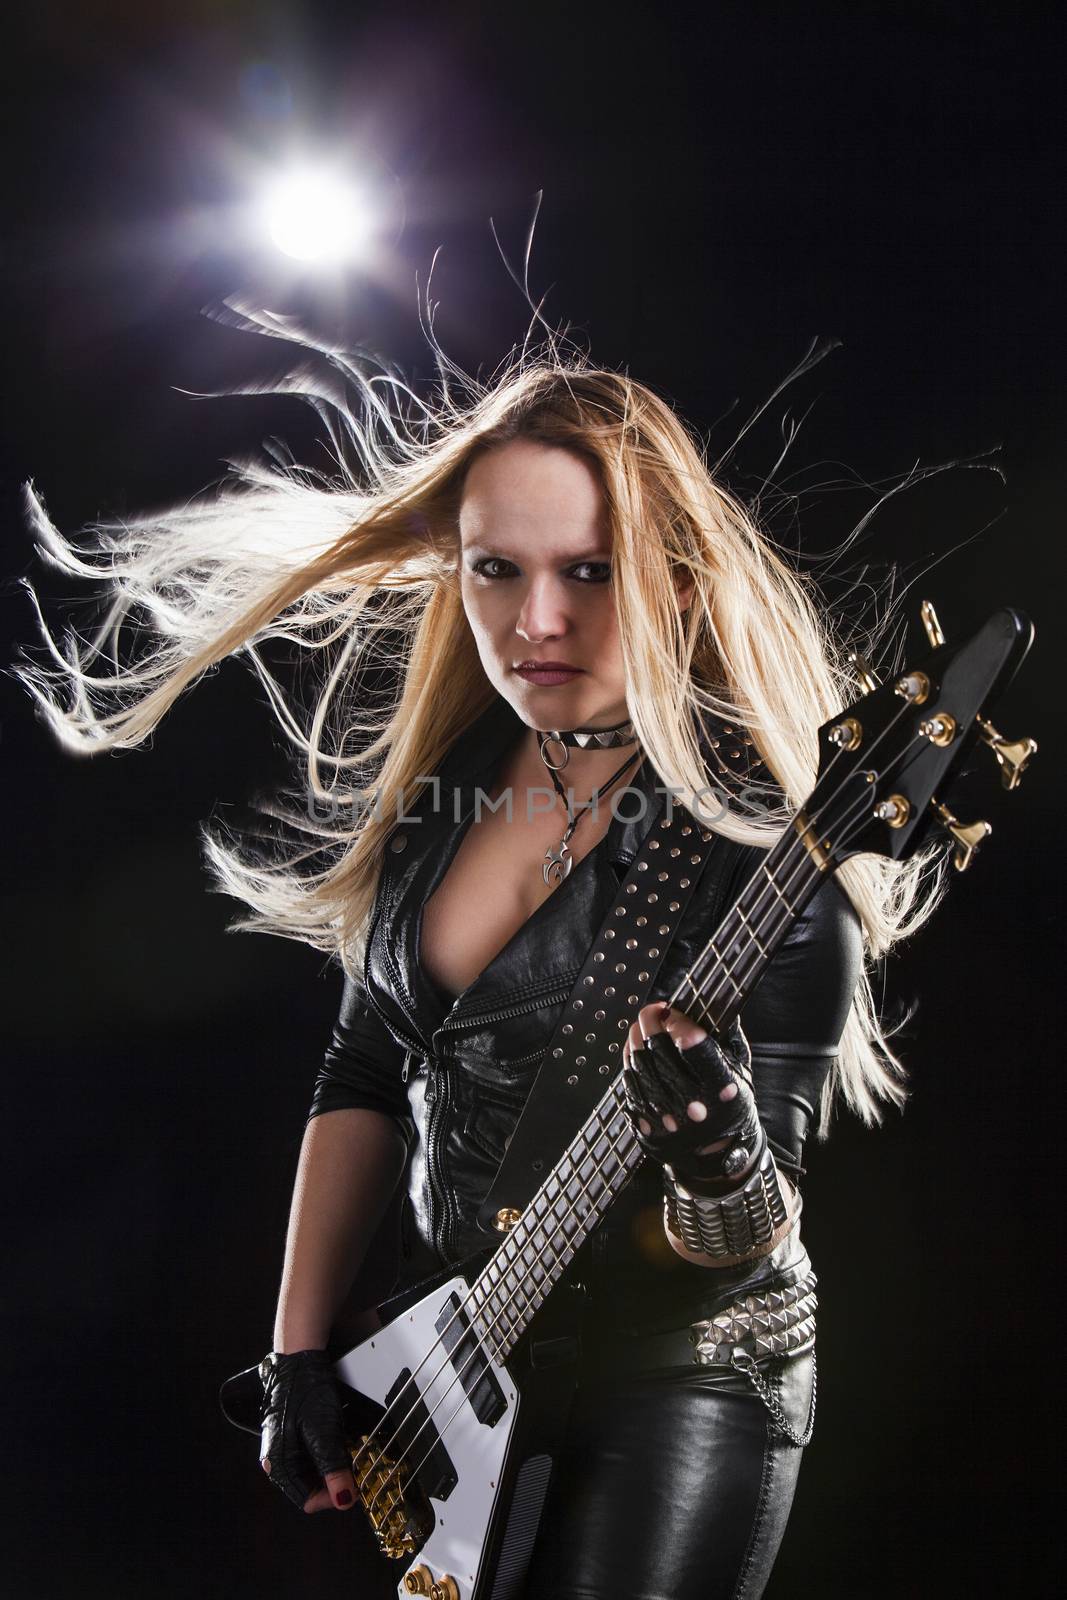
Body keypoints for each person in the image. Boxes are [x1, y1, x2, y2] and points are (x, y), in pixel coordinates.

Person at [13, 326, 943, 1599]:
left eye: (591, 570)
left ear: (672, 577)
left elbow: (745, 1224)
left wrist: (714, 1151)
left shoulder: (759, 850)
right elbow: (361, 1065)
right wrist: (298, 1356)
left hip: (679, 1373)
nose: (535, 621)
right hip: (468, 1362)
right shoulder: (443, 793)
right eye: (495, 569)